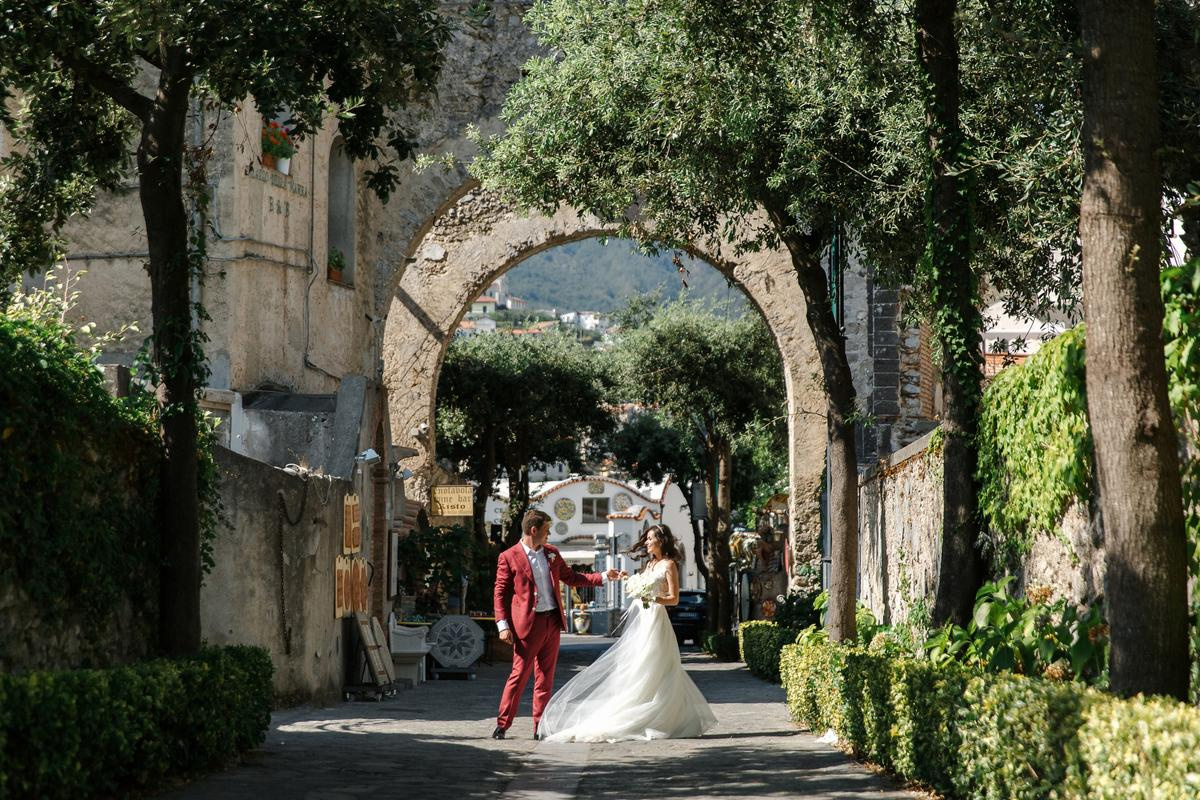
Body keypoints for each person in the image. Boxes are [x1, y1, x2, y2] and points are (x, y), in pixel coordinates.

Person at [537, 524, 717, 742]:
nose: (647, 542)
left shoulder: (669, 565)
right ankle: (641, 711)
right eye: (647, 539)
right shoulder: (649, 564)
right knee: (638, 665)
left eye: (651, 539)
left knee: (658, 666)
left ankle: (661, 717)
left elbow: (674, 598)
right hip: (643, 620)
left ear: (661, 540)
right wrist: (627, 579)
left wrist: (653, 599)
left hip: (656, 619)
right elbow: (640, 585)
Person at [492, 508, 625, 740]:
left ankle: (539, 727)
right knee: (519, 675)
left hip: (552, 622)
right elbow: (500, 593)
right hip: (527, 625)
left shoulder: (551, 553)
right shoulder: (509, 557)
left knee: (545, 677)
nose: (549, 535)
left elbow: (572, 578)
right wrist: (503, 625)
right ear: (533, 530)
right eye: (546, 531)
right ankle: (503, 724)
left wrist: (603, 576)